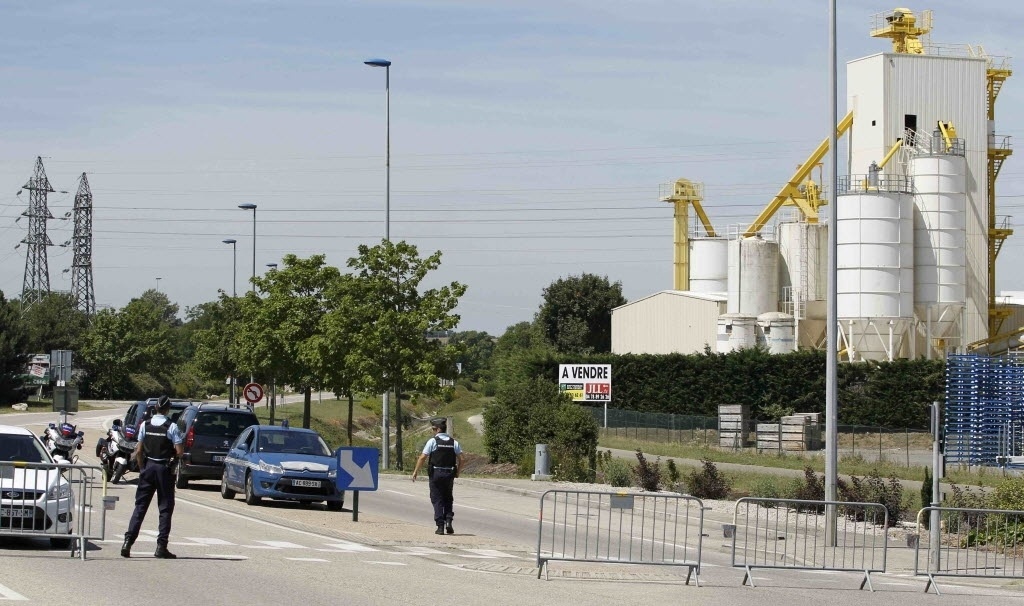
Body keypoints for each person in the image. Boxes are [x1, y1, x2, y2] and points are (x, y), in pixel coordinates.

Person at [121, 395, 185, 559]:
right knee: (165, 509)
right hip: (163, 469)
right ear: (168, 409)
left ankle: (128, 543)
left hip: (148, 468)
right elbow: (179, 452)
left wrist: (142, 468)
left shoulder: (145, 424)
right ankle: (161, 547)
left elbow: (139, 450)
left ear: (155, 408)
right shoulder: (171, 427)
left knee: (140, 507)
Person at [411, 417, 465, 535]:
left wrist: (416, 471)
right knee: (448, 498)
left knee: (437, 499)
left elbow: (422, 457)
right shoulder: (454, 442)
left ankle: (440, 526)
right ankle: (449, 521)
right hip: (449, 474)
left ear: (438, 429)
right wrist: (458, 471)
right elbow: (462, 458)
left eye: (434, 429)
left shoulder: (433, 441)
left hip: (436, 473)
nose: (433, 431)